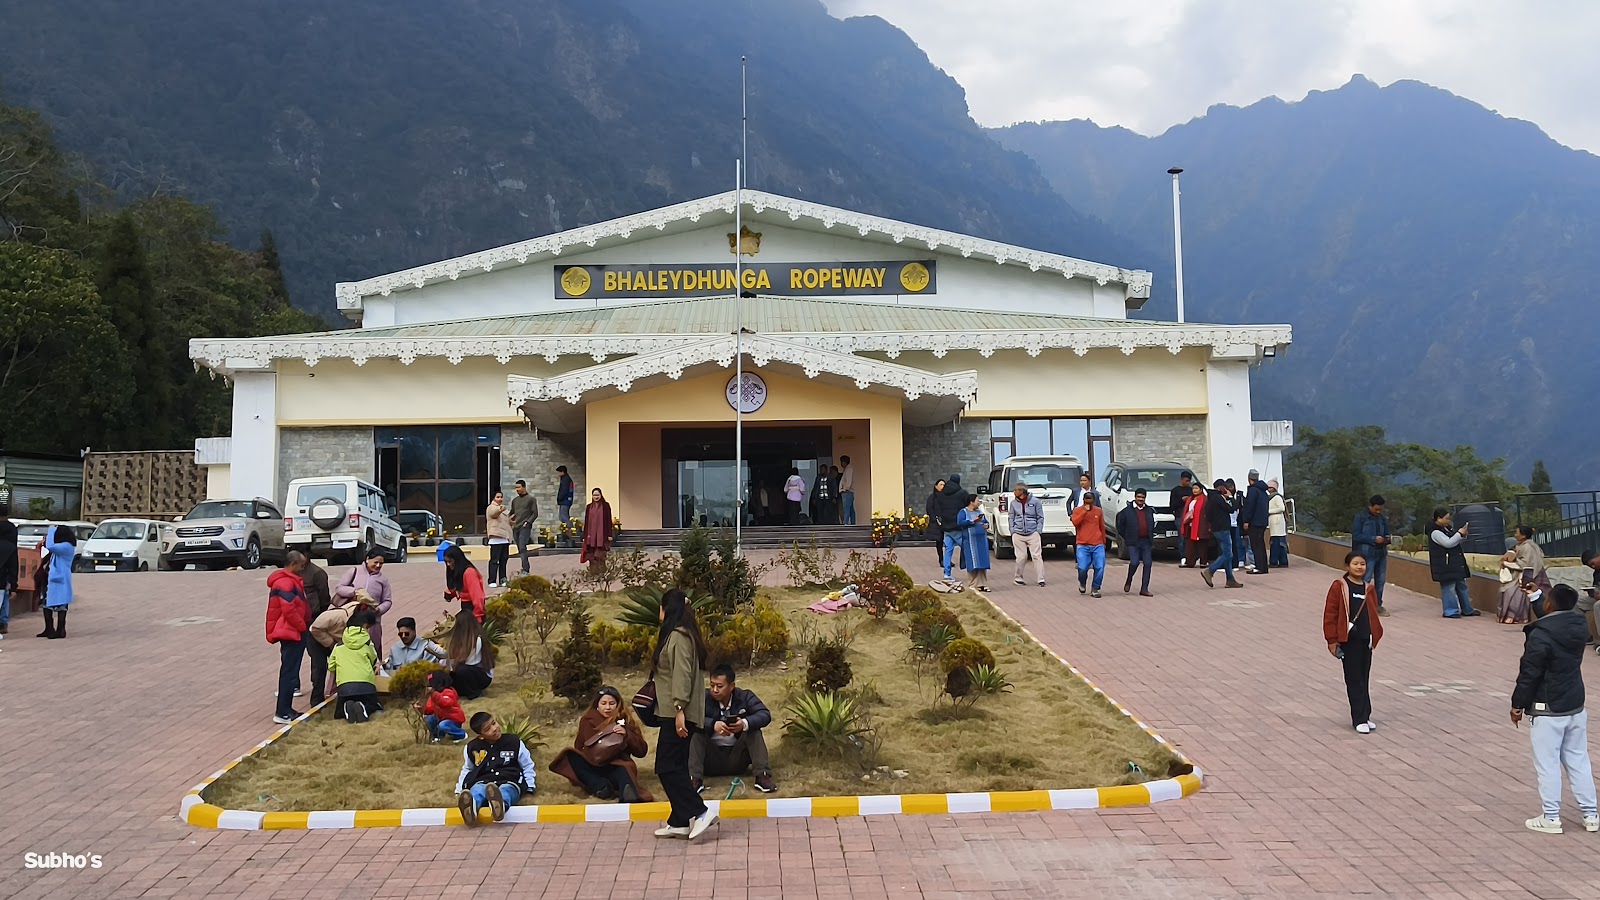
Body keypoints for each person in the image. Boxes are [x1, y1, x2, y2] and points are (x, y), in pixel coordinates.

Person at [1510, 584, 1599, 834]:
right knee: (1578, 759)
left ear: (1551, 605)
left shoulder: (1541, 636)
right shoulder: (1578, 624)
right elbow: (1555, 620)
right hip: (1574, 705)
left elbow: (1529, 674)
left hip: (1547, 707)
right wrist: (1536, 597)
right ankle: (1591, 814)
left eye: (1547, 600)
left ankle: (1551, 817)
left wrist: (1517, 705)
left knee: (1547, 763)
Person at [651, 588, 718, 840]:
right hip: (675, 711)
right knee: (675, 766)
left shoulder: (679, 637)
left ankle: (700, 812)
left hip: (677, 713)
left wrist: (679, 709)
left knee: (666, 767)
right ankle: (679, 820)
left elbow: (682, 675)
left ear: (667, 609)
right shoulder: (681, 635)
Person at [549, 686, 653, 802]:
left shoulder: (626, 720)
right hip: (593, 765)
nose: (607, 707)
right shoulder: (588, 720)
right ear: (597, 705)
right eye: (603, 703)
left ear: (618, 705)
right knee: (571, 756)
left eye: (611, 703)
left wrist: (627, 735)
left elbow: (641, 751)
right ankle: (601, 787)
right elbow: (578, 746)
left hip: (616, 765)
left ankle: (626, 793)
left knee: (624, 770)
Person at [689, 664, 777, 793]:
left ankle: (762, 776)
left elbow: (764, 714)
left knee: (753, 730)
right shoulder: (703, 698)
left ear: (731, 686)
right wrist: (713, 725)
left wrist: (744, 723)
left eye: (719, 686)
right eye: (712, 685)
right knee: (697, 734)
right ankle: (695, 780)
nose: (714, 690)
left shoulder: (745, 697)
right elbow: (691, 718)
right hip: (711, 757)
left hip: (737, 757)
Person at [1324, 551, 1384, 734]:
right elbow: (1330, 614)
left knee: (1364, 678)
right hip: (1349, 640)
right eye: (1355, 564)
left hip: (1365, 640)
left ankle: (1366, 715)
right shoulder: (1339, 586)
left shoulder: (1369, 588)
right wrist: (1332, 640)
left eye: (1363, 564)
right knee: (1354, 679)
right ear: (1347, 566)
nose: (1359, 567)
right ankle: (1358, 718)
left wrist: (1375, 635)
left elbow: (1373, 614)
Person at [455, 712, 537, 827]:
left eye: (494, 723)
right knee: (478, 790)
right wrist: (459, 789)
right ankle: (471, 809)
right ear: (481, 736)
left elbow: (527, 765)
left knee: (506, 790)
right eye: (488, 729)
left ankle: (500, 805)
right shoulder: (472, 747)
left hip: (510, 779)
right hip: (484, 780)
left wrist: (530, 785)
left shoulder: (514, 742)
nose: (494, 729)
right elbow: (468, 768)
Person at [266, 552, 312, 724]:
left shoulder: (287, 580)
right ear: (293, 564)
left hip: (291, 631)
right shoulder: (286, 583)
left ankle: (286, 709)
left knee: (290, 671)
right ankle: (283, 711)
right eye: (301, 565)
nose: (303, 569)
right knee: (289, 673)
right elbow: (289, 610)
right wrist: (301, 627)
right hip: (291, 632)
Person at [336, 549, 393, 655]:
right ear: (367, 559)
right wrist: (355, 592)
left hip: (372, 621)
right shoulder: (354, 571)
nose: (378, 565)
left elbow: (387, 601)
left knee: (372, 649)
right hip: (351, 617)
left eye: (381, 563)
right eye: (375, 562)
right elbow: (339, 588)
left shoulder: (383, 580)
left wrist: (378, 610)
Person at [329, 608, 382, 723]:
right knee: (375, 707)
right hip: (366, 684)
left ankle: (346, 708)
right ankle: (364, 707)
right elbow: (374, 659)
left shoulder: (339, 645)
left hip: (345, 687)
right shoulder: (368, 643)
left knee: (338, 715)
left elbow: (331, 666)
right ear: (364, 626)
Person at [1427, 507, 1481, 618]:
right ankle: (1451, 610)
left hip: (1455, 562)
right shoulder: (1435, 532)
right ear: (1438, 519)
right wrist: (1458, 534)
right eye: (1446, 518)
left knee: (1462, 586)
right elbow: (1448, 543)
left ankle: (1467, 609)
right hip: (1445, 564)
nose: (1448, 521)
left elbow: (1455, 541)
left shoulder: (1447, 528)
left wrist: (1462, 535)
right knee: (1449, 587)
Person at [1499, 526, 1550, 626]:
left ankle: (1516, 616)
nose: (1515, 535)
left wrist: (1508, 563)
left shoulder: (1527, 547)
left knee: (1512, 592)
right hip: (1522, 573)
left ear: (1523, 535)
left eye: (1517, 533)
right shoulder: (1524, 545)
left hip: (1528, 575)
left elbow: (1525, 564)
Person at [34, 524, 77, 640]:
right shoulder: (61, 547)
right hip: (51, 579)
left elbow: (51, 546)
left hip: (60, 579)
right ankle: (49, 628)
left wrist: (51, 530)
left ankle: (60, 629)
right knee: (47, 604)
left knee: (61, 605)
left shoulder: (67, 547)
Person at [1352, 496, 1392, 617]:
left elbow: (1387, 532)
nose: (1378, 512)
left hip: (1381, 553)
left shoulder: (1382, 518)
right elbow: (1356, 535)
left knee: (1380, 580)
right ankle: (1361, 605)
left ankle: (1377, 604)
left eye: (1380, 509)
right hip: (1367, 554)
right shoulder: (1361, 518)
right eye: (1376, 509)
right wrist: (1373, 539)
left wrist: (1386, 539)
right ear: (1370, 506)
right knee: (1365, 580)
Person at [444, 609, 495, 699]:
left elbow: (469, 662)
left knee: (462, 671)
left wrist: (450, 664)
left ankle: (473, 692)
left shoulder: (477, 639)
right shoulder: (459, 640)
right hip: (465, 670)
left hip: (480, 674)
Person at [1201, 480, 1243, 589]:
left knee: (1226, 554)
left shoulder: (1210, 499)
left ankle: (1230, 580)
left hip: (1216, 529)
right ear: (1220, 487)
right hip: (1223, 528)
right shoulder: (1218, 498)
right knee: (1228, 554)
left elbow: (1208, 515)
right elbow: (1232, 508)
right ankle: (1210, 571)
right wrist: (1230, 497)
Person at [1116, 487, 1157, 596]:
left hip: (1146, 541)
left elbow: (1151, 524)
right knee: (1134, 562)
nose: (1140, 499)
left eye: (1143, 497)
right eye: (1138, 497)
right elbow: (1120, 526)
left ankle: (1144, 589)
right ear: (1135, 497)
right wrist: (1127, 537)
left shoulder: (1149, 510)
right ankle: (1129, 580)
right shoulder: (1126, 511)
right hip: (1133, 541)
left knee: (1148, 563)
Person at [1070, 491, 1107, 597]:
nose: (1088, 502)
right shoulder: (1077, 510)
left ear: (1094, 501)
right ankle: (1082, 581)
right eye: (1086, 499)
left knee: (1100, 566)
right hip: (1082, 544)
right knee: (1082, 567)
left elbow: (1101, 526)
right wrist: (1084, 512)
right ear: (1083, 500)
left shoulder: (1098, 511)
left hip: (1097, 543)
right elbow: (1075, 522)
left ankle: (1096, 588)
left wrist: (1103, 542)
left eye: (1090, 499)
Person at [1009, 482, 1045, 587]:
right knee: (1021, 557)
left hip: (1032, 532)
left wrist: (1038, 530)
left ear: (1022, 491)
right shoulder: (1013, 503)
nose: (1014, 492)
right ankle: (1018, 578)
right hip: (1018, 533)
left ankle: (1040, 579)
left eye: (1016, 490)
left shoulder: (1035, 501)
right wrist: (1012, 530)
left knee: (1036, 556)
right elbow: (1011, 517)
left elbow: (1040, 516)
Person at [935, 474, 971, 581]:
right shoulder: (962, 493)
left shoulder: (942, 494)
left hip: (946, 526)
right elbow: (968, 505)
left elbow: (939, 508)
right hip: (958, 526)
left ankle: (947, 574)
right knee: (967, 547)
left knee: (948, 550)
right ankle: (973, 571)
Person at [956, 495, 992, 592]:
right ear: (971, 502)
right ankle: (973, 584)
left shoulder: (979, 512)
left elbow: (986, 522)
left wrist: (986, 525)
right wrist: (972, 521)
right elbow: (960, 523)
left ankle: (983, 584)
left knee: (983, 562)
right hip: (970, 541)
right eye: (977, 500)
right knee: (972, 562)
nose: (978, 502)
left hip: (981, 540)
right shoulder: (963, 512)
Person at [418, 670, 467, 742]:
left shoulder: (449, 692)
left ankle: (461, 734)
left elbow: (445, 703)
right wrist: (421, 707)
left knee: (443, 725)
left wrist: (433, 694)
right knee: (429, 720)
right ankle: (437, 736)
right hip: (441, 718)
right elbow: (430, 709)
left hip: (453, 720)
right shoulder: (435, 694)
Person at [443, 544, 486, 622]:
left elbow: (477, 596)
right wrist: (451, 593)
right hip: (466, 608)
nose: (448, 564)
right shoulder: (459, 572)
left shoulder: (469, 572)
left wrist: (478, 616)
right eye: (446, 562)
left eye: (450, 561)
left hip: (473, 609)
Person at [1240, 469, 1270, 575]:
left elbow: (1249, 506)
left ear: (1249, 479)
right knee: (1261, 544)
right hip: (1263, 521)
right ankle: (1264, 566)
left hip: (1254, 522)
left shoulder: (1253, 490)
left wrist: (1246, 520)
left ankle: (1258, 567)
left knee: (1255, 545)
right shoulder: (1263, 491)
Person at [580, 488, 615, 572]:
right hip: (591, 535)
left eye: (597, 495)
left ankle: (602, 572)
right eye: (594, 495)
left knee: (600, 554)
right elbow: (587, 521)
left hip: (602, 535)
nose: (596, 497)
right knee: (591, 555)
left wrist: (610, 534)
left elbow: (608, 521)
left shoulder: (606, 506)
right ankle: (592, 572)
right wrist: (584, 536)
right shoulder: (589, 507)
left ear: (601, 495)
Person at [510, 479, 539, 576]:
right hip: (516, 527)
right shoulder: (515, 501)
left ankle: (525, 569)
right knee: (519, 548)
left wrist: (528, 522)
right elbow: (512, 512)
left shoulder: (531, 499)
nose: (517, 489)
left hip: (525, 527)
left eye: (518, 487)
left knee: (522, 547)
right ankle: (525, 567)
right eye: (516, 488)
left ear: (524, 487)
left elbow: (535, 513)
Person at [1180, 482, 1211, 569]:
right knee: (1189, 544)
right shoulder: (1190, 499)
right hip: (1190, 524)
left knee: (1202, 544)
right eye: (1193, 488)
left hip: (1201, 524)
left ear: (1201, 489)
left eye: (1197, 488)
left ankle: (1203, 562)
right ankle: (1190, 562)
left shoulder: (1205, 500)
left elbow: (1208, 513)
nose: (1195, 490)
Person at [485, 491, 512, 588]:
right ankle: (491, 580)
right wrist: (500, 509)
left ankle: (502, 579)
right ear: (493, 498)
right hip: (496, 537)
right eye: (498, 497)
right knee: (494, 560)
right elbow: (493, 514)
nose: (500, 499)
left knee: (503, 560)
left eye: (501, 497)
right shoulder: (491, 507)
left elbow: (508, 521)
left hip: (505, 538)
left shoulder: (504, 509)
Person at [1169, 471, 1195, 565]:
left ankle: (1192, 556)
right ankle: (1183, 556)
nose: (1187, 483)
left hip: (1191, 516)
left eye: (1189, 481)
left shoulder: (1191, 490)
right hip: (1180, 516)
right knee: (1182, 537)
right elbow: (1172, 505)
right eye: (1186, 480)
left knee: (1191, 537)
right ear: (1182, 479)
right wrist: (1181, 500)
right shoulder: (1175, 491)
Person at [1, 506, 18, 637]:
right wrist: (14, 585)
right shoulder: (12, 529)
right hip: (7, 561)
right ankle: (3, 622)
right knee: (5, 594)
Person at [1266, 480, 1289, 568]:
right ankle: (1282, 561)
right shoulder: (1271, 497)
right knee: (1277, 542)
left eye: (1270, 487)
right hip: (1274, 522)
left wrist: (1269, 511)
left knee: (1277, 543)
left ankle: (1274, 561)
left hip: (1277, 522)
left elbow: (1281, 508)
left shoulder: (1277, 497)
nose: (1269, 489)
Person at [925, 479, 947, 567]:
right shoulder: (932, 497)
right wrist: (935, 519)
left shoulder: (946, 497)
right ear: (936, 486)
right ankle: (941, 559)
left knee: (948, 542)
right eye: (941, 485)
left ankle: (947, 559)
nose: (942, 487)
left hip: (945, 522)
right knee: (939, 542)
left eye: (944, 485)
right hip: (936, 523)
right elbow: (929, 509)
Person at [1583, 550, 1600, 653]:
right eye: (1590, 566)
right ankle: (1585, 635)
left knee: (1598, 605)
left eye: (1593, 563)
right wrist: (1592, 592)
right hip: (1597, 597)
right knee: (1576, 601)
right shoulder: (1596, 573)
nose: (1593, 567)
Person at [838, 455, 857, 526]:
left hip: (847, 492)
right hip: (848, 491)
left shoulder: (849, 469)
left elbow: (849, 481)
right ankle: (853, 523)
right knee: (851, 509)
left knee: (846, 508)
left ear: (844, 462)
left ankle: (845, 522)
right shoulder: (847, 469)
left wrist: (844, 489)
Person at [555, 465, 575, 529]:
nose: (558, 474)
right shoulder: (566, 479)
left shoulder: (565, 480)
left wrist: (559, 498)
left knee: (564, 517)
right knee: (562, 517)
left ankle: (571, 530)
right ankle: (566, 531)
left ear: (563, 472)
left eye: (559, 472)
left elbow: (564, 490)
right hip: (565, 501)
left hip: (565, 501)